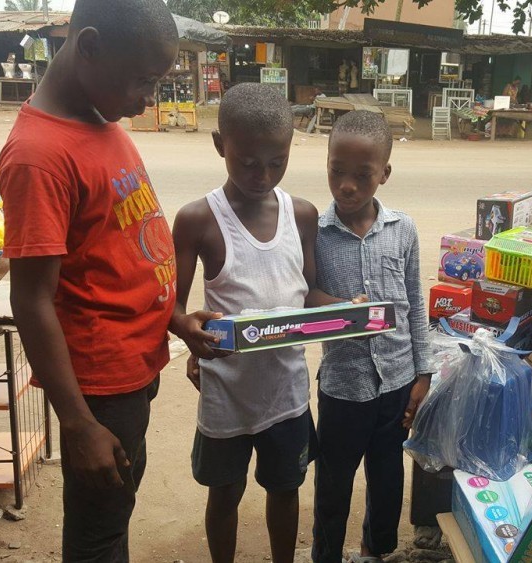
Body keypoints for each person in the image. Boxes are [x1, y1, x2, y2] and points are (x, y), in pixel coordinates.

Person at [0, 0, 178, 560]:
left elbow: (119, 245)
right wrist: (77, 423)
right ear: (90, 47)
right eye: (143, 81)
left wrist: (174, 319)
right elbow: (31, 300)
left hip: (133, 365)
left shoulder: (101, 120)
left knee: (114, 512)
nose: (148, 99)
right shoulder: (40, 156)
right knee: (98, 536)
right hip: (99, 387)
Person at [171, 83, 323, 563]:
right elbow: (170, 307)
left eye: (277, 161)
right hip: (227, 397)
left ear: (292, 146)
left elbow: (311, 293)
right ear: (220, 146)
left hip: (286, 394)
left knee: (285, 490)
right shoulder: (199, 220)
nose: (264, 175)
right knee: (225, 494)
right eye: (248, 162)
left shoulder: (301, 215)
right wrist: (186, 331)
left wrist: (349, 308)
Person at [311, 111, 433, 563]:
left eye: (362, 175)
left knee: (387, 477)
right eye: (336, 171)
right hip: (344, 386)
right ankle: (327, 554)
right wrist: (338, 310)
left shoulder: (403, 230)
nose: (346, 185)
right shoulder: (317, 234)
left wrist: (423, 372)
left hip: (397, 382)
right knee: (334, 481)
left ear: (384, 173)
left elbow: (414, 302)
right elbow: (304, 295)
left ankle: (374, 551)